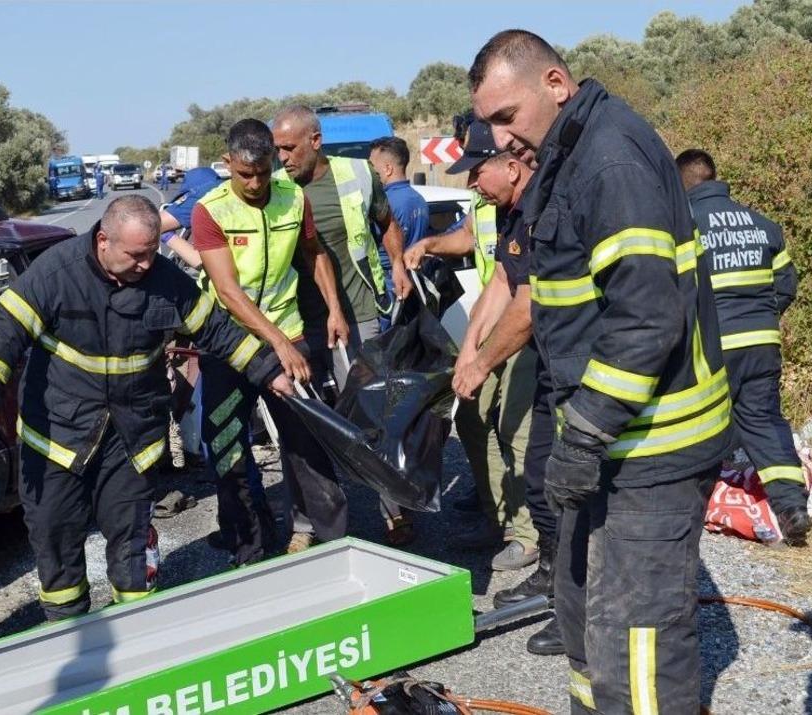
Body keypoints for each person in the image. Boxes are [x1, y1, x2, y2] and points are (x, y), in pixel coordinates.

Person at [470, 30, 734, 713]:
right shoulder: (567, 155)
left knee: (636, 645)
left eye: (507, 117)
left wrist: (582, 437)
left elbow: (646, 317)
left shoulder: (608, 162)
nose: (501, 139)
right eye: (490, 124)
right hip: (612, 440)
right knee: (586, 614)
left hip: (653, 446)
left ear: (555, 83)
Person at [0, 195, 292, 620]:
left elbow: (217, 330)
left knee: (131, 545)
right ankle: (69, 632)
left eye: (152, 253)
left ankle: (139, 632)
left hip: (133, 437)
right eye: (135, 255)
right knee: (56, 539)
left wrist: (269, 371)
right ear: (103, 240)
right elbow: (4, 334)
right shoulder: (55, 274)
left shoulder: (167, 281)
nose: (146, 265)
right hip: (58, 437)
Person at [192, 118, 350, 562]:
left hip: (290, 330)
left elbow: (315, 255)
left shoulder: (293, 198)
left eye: (264, 171)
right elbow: (228, 291)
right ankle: (250, 542)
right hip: (228, 344)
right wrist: (276, 343)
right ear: (227, 164)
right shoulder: (210, 211)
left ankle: (329, 537)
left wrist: (335, 308)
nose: (257, 182)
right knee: (226, 444)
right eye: (245, 174)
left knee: (307, 438)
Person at [403, 119, 542, 576]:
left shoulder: (536, 210)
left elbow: (524, 298)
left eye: (477, 172)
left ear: (512, 167)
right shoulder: (490, 204)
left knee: (513, 425)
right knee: (470, 415)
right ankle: (497, 516)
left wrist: (479, 356)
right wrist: (429, 244)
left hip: (528, 331)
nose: (470, 183)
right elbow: (490, 269)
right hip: (494, 323)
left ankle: (527, 535)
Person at [272, 105, 414, 546]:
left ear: (315, 141)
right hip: (297, 323)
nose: (282, 158)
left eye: (289, 148)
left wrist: (397, 263)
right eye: (277, 149)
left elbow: (386, 221)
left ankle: (395, 509)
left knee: (374, 414)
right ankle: (306, 523)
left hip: (361, 312)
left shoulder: (357, 174)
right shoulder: (273, 188)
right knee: (301, 425)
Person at [677, 149, 811, 542]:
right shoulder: (762, 225)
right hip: (762, 342)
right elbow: (786, 284)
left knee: (697, 422)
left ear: (682, 183)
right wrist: (762, 318)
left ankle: (691, 507)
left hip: (713, 346)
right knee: (765, 421)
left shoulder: (684, 223)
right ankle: (791, 508)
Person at [368, 136, 429, 330]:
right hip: (414, 279)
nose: (370, 172)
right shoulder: (419, 199)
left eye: (372, 166)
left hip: (389, 283)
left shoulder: (384, 204)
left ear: (387, 169)